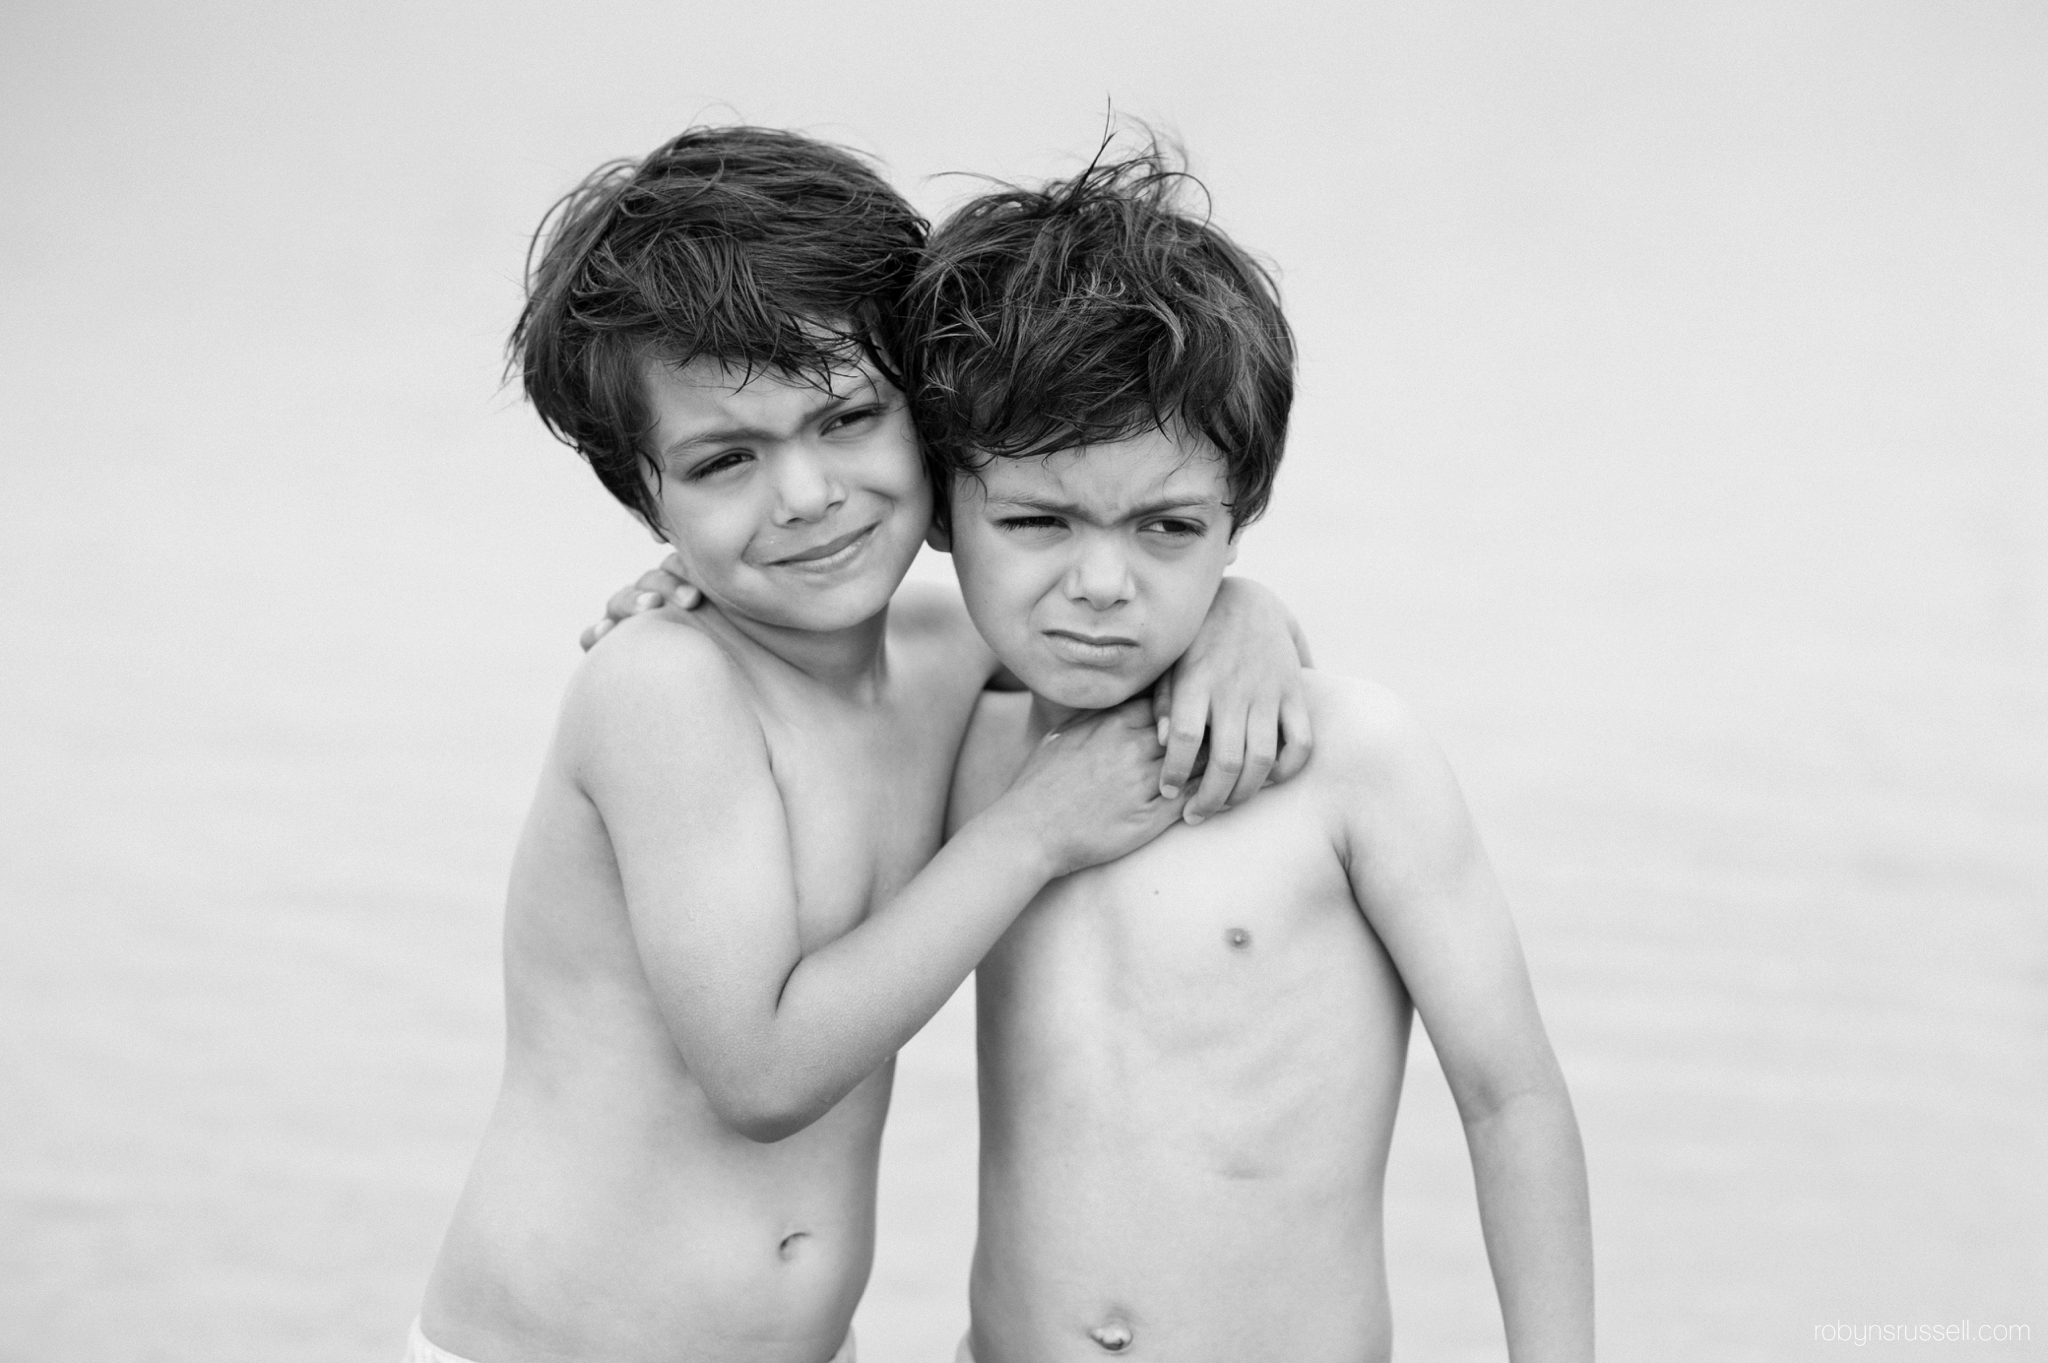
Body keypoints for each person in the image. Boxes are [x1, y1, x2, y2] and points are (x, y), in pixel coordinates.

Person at [410, 127, 1311, 1363]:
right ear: (644, 494)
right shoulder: (663, 685)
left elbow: (1125, 596)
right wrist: (1034, 830)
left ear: (935, 426)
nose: (804, 496)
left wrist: (1248, 618)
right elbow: (762, 1070)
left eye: (844, 417)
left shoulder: (946, 657)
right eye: (724, 460)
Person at [907, 145, 1595, 1363]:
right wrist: (686, 589)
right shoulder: (962, 736)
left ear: (1237, 519)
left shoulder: (1344, 763)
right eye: (1034, 522)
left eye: (1167, 528)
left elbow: (1511, 1097)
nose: (1102, 585)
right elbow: (812, 634)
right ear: (938, 511)